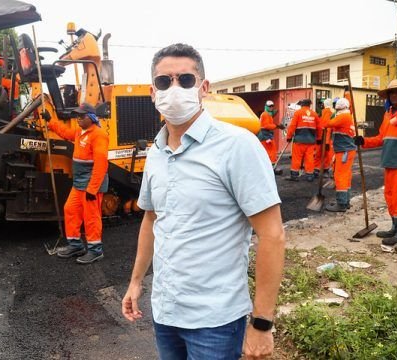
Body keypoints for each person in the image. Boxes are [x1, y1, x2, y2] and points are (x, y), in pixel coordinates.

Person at [121, 43, 285, 360]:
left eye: (185, 79)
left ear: (203, 88)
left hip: (216, 323)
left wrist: (262, 324)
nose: (174, 88)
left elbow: (273, 235)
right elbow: (151, 220)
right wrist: (136, 282)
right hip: (165, 312)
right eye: (164, 82)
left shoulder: (237, 146)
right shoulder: (155, 153)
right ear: (153, 92)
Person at [355, 79, 397, 246]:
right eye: (392, 92)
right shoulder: (388, 113)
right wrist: (363, 141)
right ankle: (394, 228)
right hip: (389, 161)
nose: (394, 95)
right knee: (389, 196)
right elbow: (381, 138)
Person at [48, 103, 109, 264]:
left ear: (91, 117)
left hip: (90, 185)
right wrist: (50, 121)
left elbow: (101, 164)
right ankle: (76, 245)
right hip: (79, 183)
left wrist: (93, 189)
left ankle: (96, 251)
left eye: (81, 116)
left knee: (91, 218)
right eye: (77, 116)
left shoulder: (98, 135)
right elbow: (65, 132)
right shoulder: (80, 132)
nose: (78, 119)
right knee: (70, 209)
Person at [322, 98, 356, 212]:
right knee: (346, 176)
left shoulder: (343, 117)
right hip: (346, 150)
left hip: (344, 151)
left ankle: (341, 204)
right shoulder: (346, 116)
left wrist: (326, 111)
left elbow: (326, 123)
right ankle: (345, 202)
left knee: (340, 176)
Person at [285, 98, 321, 182]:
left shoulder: (298, 113)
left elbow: (293, 125)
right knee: (310, 158)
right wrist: (319, 138)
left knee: (297, 158)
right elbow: (319, 128)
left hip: (299, 140)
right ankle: (309, 175)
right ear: (309, 105)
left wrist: (289, 136)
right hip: (311, 141)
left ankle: (294, 175)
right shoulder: (314, 114)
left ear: (302, 104)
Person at [258, 100, 285, 175]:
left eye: (272, 106)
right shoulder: (265, 114)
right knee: (271, 151)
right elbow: (266, 126)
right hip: (265, 136)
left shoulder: (267, 114)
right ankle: (272, 167)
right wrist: (277, 126)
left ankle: (269, 167)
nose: (271, 107)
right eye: (270, 106)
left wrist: (276, 126)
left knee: (269, 151)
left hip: (266, 135)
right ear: (266, 106)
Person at [314, 98, 334, 178]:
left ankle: (317, 169)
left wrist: (325, 141)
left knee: (321, 154)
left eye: (322, 104)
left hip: (323, 138)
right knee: (325, 155)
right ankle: (323, 169)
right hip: (325, 138)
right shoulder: (329, 113)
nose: (321, 105)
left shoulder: (326, 113)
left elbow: (326, 128)